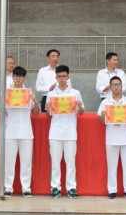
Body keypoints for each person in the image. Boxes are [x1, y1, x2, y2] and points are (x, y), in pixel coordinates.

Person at [46, 65, 84, 199]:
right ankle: (55, 187)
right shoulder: (51, 94)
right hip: (55, 132)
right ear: (56, 78)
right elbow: (48, 115)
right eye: (59, 76)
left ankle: (71, 188)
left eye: (64, 76)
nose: (62, 79)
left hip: (70, 132)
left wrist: (79, 107)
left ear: (68, 77)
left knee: (70, 162)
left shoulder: (75, 93)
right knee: (55, 162)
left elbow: (81, 112)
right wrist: (48, 109)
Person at [98, 75, 126, 199]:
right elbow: (101, 121)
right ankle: (112, 190)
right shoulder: (105, 102)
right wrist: (103, 116)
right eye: (114, 85)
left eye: (118, 85)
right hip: (111, 138)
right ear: (110, 87)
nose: (116, 87)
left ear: (122, 86)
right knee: (112, 166)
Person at [3, 66, 40, 197]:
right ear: (12, 77)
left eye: (21, 76)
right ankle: (8, 187)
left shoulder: (29, 93)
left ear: (24, 78)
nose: (18, 78)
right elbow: (0, 111)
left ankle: (26, 188)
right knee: (9, 162)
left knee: (26, 162)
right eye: (16, 76)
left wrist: (35, 101)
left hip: (26, 132)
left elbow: (36, 113)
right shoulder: (6, 93)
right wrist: (1, 101)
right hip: (10, 132)